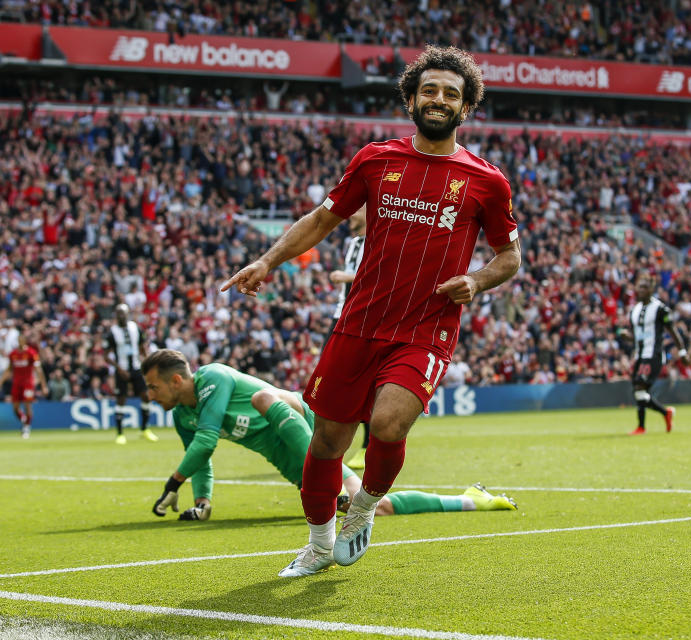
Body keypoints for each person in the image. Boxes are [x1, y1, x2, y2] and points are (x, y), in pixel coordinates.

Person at [222, 45, 521, 577]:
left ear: (466, 107)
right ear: (410, 98)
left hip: (425, 329)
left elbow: (510, 257)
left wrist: (475, 280)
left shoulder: (487, 181)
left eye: (451, 93)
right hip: (358, 324)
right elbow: (321, 219)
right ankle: (317, 545)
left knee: (386, 424)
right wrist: (268, 260)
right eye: (428, 90)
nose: (438, 99)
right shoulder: (374, 159)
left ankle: (363, 510)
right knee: (328, 441)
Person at [142, 349, 515, 524]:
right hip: (294, 463)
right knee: (375, 508)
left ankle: (326, 483)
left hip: (309, 431)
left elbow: (207, 441)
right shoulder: (183, 414)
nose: (150, 395)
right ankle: (470, 500)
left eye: (153, 386)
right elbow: (200, 454)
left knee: (264, 397)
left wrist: (173, 482)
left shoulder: (214, 378)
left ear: (176, 379)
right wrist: (202, 499)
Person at [621, 274, 689, 436]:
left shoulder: (660, 309)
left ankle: (643, 426)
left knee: (639, 387)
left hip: (654, 355)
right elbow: (637, 336)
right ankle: (664, 414)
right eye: (640, 286)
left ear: (652, 289)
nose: (641, 290)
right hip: (639, 355)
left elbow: (673, 331)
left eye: (645, 287)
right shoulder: (635, 310)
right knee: (639, 392)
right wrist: (627, 336)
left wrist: (682, 352)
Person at [328, 205, 369, 470]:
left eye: (356, 211)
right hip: (340, 316)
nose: (350, 215)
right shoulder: (353, 243)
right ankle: (327, 441)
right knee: (331, 379)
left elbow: (377, 274)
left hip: (360, 318)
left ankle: (367, 446)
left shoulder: (377, 239)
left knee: (361, 383)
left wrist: (346, 276)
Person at [106, 303, 158, 444]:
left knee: (146, 396)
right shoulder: (112, 332)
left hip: (136, 367)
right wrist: (119, 369)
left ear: (128, 313)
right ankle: (120, 434)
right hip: (121, 369)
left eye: (124, 312)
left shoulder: (135, 328)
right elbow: (106, 355)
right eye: (119, 313)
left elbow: (142, 348)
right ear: (116, 315)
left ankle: (144, 429)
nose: (121, 315)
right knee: (121, 399)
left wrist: (147, 362)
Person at [0, 332, 48, 439]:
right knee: (15, 408)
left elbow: (38, 370)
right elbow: (8, 369)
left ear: (25, 341)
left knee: (27, 405)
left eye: (22, 340)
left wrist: (43, 385)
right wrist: (0, 382)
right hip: (16, 383)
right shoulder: (13, 354)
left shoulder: (31, 353)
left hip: (28, 384)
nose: (20, 342)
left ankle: (27, 427)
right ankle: (24, 420)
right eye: (19, 340)